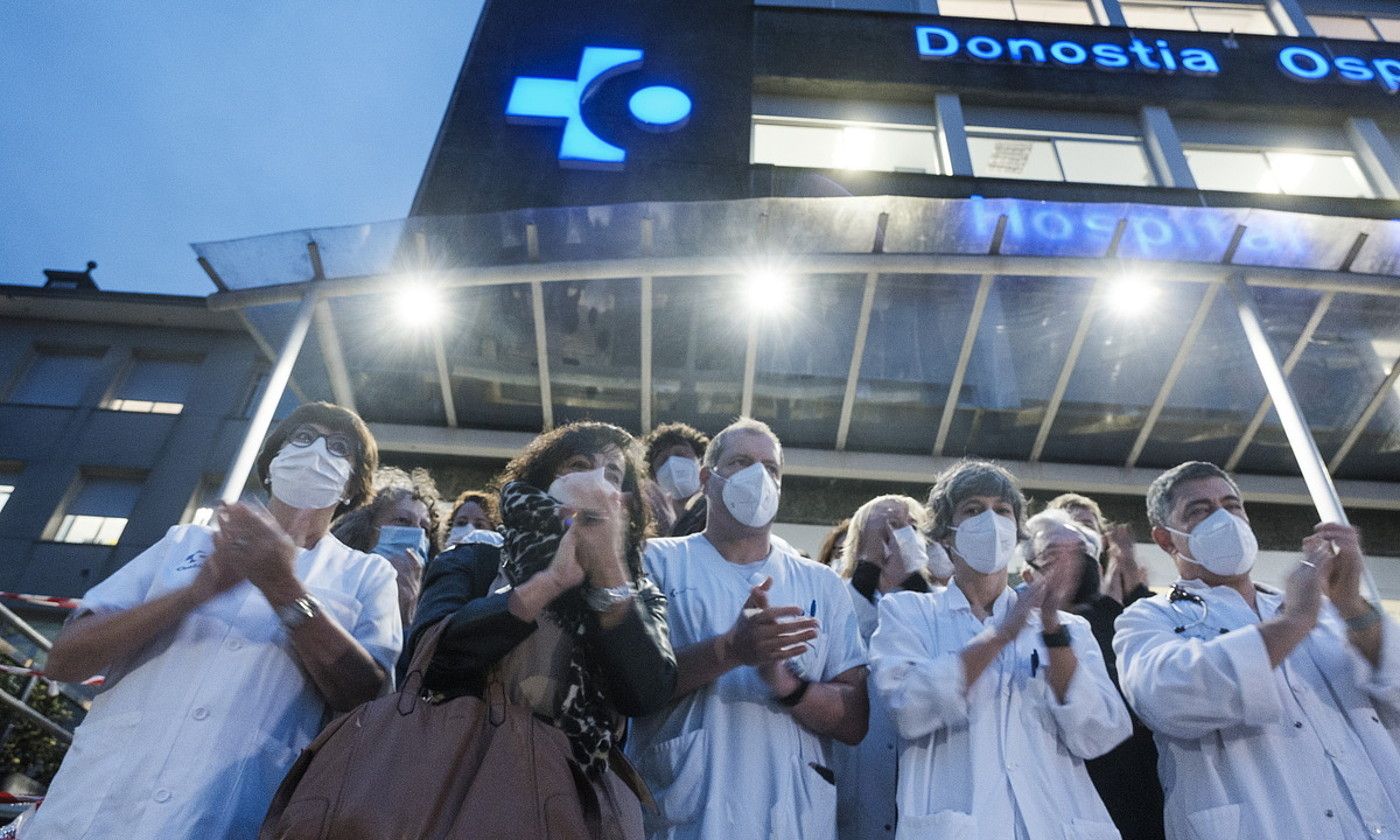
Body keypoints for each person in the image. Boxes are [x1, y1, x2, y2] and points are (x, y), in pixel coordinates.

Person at [31, 402, 402, 840]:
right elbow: (64, 660)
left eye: (339, 447)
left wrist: (283, 588)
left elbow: (366, 698)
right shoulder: (186, 541)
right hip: (92, 810)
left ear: (351, 488)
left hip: (227, 816)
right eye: (301, 439)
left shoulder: (368, 575)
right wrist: (196, 592)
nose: (316, 452)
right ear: (272, 465)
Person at [401, 421, 677, 840]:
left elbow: (646, 692)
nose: (595, 480)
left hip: (574, 807)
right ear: (543, 478)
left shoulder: (637, 593)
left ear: (627, 503)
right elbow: (427, 660)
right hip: (455, 791)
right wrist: (545, 586)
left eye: (613, 474)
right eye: (579, 465)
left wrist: (607, 575)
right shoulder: (477, 556)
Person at [1114, 461, 1400, 840]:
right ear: (1166, 540)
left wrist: (1351, 605)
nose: (1224, 519)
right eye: (1199, 511)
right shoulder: (1150, 617)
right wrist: (1293, 623)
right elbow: (1165, 697)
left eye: (1232, 506)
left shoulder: (1327, 609)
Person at [627, 418, 868, 840]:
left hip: (795, 818)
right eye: (741, 462)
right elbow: (629, 687)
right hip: (691, 814)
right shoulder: (655, 563)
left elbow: (854, 722)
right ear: (706, 479)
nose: (758, 477)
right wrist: (731, 650)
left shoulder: (822, 584)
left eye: (770, 468)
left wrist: (786, 684)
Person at [870, 459, 1130, 840]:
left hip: (1057, 823)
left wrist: (1053, 631)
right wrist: (1000, 636)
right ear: (946, 533)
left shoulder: (1068, 627)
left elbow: (1100, 733)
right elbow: (907, 709)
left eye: (1002, 511)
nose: (990, 521)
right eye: (973, 509)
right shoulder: (909, 612)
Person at [1018, 509, 1164, 840]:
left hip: (1136, 787)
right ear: (1029, 574)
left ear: (1097, 567)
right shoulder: (1017, 632)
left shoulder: (1127, 620)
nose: (1071, 564)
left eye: (1081, 553)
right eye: (1054, 555)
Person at [833, 495, 935, 840]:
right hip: (855, 781)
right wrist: (868, 569)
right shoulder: (836, 597)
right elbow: (846, 638)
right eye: (885, 528)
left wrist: (916, 579)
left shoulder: (940, 603)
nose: (897, 537)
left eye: (909, 527)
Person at [331, 466, 441, 627]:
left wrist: (407, 612)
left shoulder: (433, 606)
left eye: (425, 528)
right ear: (366, 527)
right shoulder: (333, 579)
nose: (417, 532)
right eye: (402, 520)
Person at [1046, 492, 1151, 607]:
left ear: (1102, 539)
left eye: (1087, 526)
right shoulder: (1042, 590)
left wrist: (1135, 589)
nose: (1079, 534)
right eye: (1069, 527)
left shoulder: (1124, 589)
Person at [640, 422, 709, 538]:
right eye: (663, 460)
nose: (672, 463)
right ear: (654, 478)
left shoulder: (719, 515)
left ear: (701, 461)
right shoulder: (649, 531)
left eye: (680, 454)